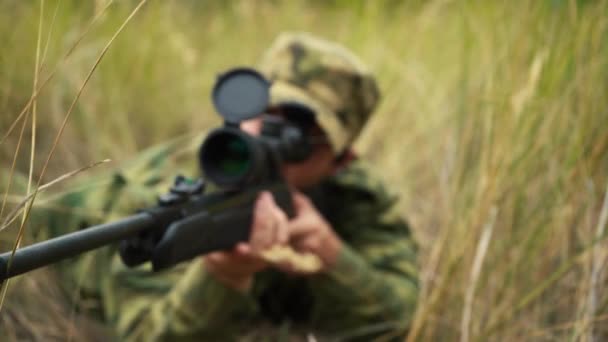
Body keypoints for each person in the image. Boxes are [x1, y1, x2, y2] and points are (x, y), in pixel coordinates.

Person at [16, 32, 419, 341]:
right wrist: (223, 276)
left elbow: (397, 317)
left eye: (304, 138)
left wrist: (330, 254)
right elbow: (144, 333)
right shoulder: (167, 192)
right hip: (32, 220)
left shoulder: (355, 193)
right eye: (266, 114)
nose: (271, 138)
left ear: (342, 160)